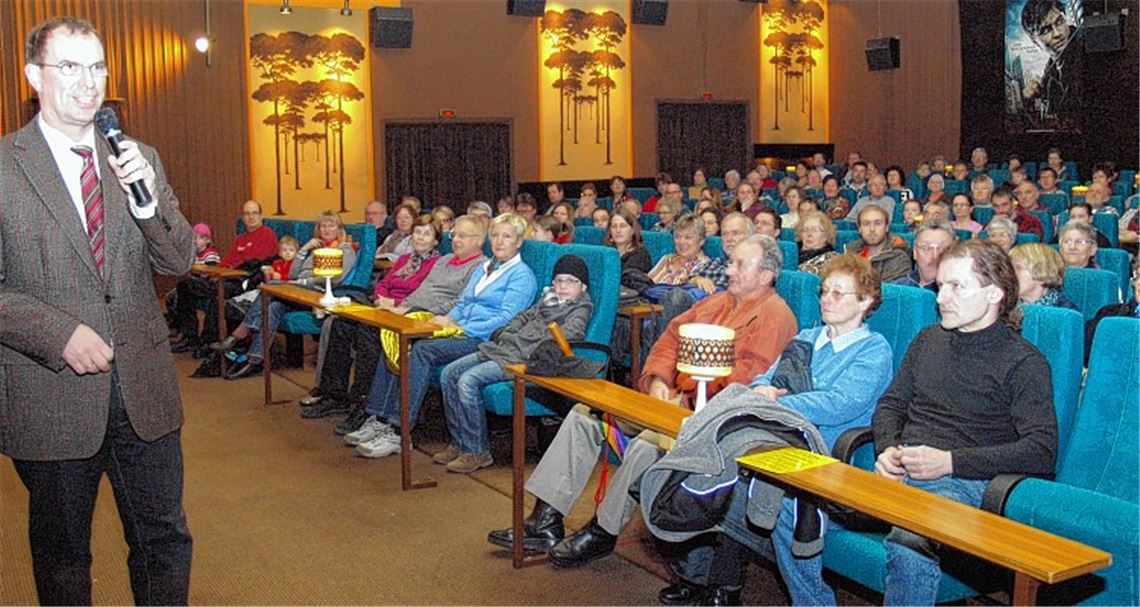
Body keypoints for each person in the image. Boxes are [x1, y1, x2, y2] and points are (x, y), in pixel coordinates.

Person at [0, 17, 195, 605]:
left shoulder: (139, 157)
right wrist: (57, 333)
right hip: (51, 393)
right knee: (63, 558)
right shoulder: (5, 166)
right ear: (34, 75)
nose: (89, 83)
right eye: (70, 67)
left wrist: (146, 198)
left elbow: (180, 258)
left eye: (98, 67)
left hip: (146, 393)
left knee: (164, 541)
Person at [486, 234, 798, 566]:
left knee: (646, 444)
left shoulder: (775, 317)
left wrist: (683, 392)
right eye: (731, 261)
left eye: (739, 264)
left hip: (708, 422)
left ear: (765, 275)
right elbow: (668, 341)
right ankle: (546, 519)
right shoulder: (717, 302)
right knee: (582, 414)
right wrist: (660, 380)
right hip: (668, 401)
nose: (729, 269)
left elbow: (746, 381)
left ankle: (603, 529)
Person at [658, 254, 895, 606]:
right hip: (771, 437)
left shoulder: (874, 350)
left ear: (866, 301)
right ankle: (713, 581)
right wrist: (760, 393)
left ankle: (811, 601)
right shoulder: (809, 336)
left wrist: (776, 404)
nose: (827, 299)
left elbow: (839, 402)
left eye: (839, 294)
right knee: (705, 470)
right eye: (825, 291)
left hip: (824, 452)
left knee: (777, 505)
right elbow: (767, 377)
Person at [873, 239, 1058, 607]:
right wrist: (888, 448)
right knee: (795, 506)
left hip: (964, 483)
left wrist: (950, 461)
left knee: (912, 536)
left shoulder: (1024, 362)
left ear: (994, 293)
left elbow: (1042, 450)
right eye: (941, 286)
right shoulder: (928, 339)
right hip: (904, 468)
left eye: (957, 287)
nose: (941, 298)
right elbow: (891, 405)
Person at [353, 214, 537, 469]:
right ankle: (452, 440)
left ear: (518, 242)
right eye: (495, 235)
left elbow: (506, 319)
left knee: (424, 350)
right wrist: (445, 319)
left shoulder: (521, 275)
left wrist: (460, 327)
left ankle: (399, 429)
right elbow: (463, 303)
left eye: (506, 236)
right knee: (398, 341)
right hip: (460, 330)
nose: (499, 241)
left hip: (486, 338)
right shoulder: (486, 269)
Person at [272, 216, 442, 421]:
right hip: (381, 307)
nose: (420, 237)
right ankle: (335, 395)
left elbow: (421, 293)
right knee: (339, 325)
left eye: (426, 233)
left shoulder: (437, 264)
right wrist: (381, 298)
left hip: (405, 314)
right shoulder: (404, 259)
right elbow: (383, 283)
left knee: (365, 332)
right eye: (417, 232)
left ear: (435, 241)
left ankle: (362, 402)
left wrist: (394, 305)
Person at [327, 216, 487, 431]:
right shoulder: (444, 260)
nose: (456, 240)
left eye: (462, 236)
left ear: (478, 240)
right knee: (345, 325)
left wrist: (406, 309)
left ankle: (375, 412)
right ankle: (362, 408)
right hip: (406, 310)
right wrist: (399, 307)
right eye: (454, 235)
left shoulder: (480, 266)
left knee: (379, 335)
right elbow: (421, 291)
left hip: (427, 318)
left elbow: (457, 302)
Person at [437, 256, 594, 473]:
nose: (563, 286)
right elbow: (522, 317)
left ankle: (476, 451)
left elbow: (571, 333)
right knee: (449, 373)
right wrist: (509, 332)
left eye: (570, 281)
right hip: (505, 348)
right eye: (559, 281)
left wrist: (530, 341)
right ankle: (460, 442)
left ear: (583, 286)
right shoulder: (546, 300)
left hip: (526, 360)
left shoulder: (580, 307)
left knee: (467, 380)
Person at [215, 211, 359, 380]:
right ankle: (254, 359)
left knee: (271, 286)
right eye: (323, 226)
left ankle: (240, 333)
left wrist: (305, 280)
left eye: (331, 226)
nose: (327, 230)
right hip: (300, 290)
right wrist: (304, 249)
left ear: (339, 229)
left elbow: (336, 278)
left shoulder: (344, 249)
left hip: (321, 295)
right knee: (274, 307)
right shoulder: (315, 249)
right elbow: (292, 274)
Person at [169, 198, 277, 352]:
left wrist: (225, 272)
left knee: (218, 294)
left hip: (244, 283)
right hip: (224, 278)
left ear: (261, 216)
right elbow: (226, 261)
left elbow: (253, 264)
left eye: (254, 213)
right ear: (243, 217)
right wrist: (215, 273)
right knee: (185, 285)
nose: (251, 217)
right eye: (247, 214)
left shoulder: (267, 235)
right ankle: (189, 336)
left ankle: (208, 342)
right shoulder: (240, 238)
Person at [1010, 243, 1080, 317]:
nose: (1010, 273)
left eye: (1018, 268)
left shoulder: (1065, 315)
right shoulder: (1004, 307)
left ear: (1042, 273)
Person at [844, 205, 911, 282]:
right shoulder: (849, 255)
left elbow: (887, 292)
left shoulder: (900, 259)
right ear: (859, 229)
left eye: (878, 223)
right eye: (866, 224)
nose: (872, 229)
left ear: (886, 227)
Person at [892, 220, 956, 292]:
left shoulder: (963, 296)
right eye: (926, 248)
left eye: (944, 249)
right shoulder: (896, 289)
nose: (935, 256)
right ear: (915, 253)